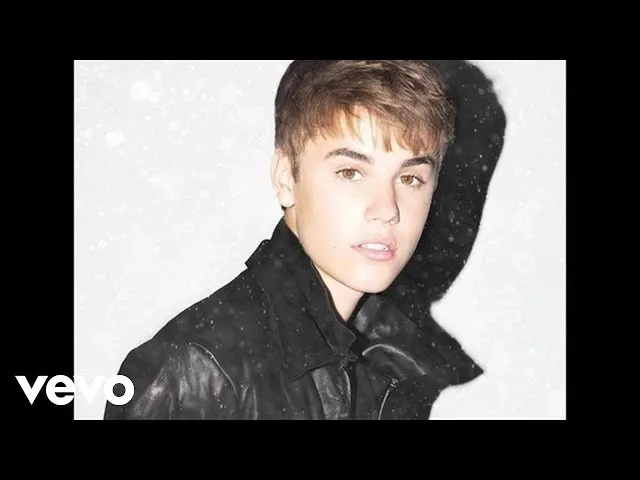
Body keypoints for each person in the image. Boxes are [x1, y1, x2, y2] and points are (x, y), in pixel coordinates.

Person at [104, 60, 506, 420]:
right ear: (285, 178)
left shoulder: (391, 359)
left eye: (410, 178)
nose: (387, 209)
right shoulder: (194, 370)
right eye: (351, 172)